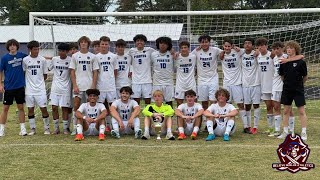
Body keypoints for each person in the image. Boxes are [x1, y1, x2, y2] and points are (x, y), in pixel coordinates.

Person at [269, 41, 303, 137]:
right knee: (276, 107)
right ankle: (277, 130)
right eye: (274, 49)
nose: (276, 50)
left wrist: (288, 60)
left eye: (278, 48)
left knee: (288, 109)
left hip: (285, 86)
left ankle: (290, 130)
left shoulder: (287, 56)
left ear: (282, 48)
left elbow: (301, 56)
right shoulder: (274, 58)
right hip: (275, 85)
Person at [277, 40, 308, 141]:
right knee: (286, 111)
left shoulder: (301, 62)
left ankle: (304, 132)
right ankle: (285, 131)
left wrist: (299, 85)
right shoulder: (283, 61)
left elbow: (305, 76)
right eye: (288, 48)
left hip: (298, 89)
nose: (289, 50)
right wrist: (287, 83)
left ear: (296, 49)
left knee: (301, 111)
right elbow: (281, 75)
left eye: (291, 48)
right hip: (287, 89)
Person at [69, 36, 99, 135]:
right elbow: (72, 72)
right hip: (78, 86)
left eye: (85, 42)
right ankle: (75, 128)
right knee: (76, 106)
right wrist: (75, 85)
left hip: (89, 86)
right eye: (81, 42)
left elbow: (95, 72)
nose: (83, 44)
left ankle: (89, 127)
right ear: (79, 44)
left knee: (88, 107)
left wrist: (93, 86)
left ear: (88, 44)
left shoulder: (93, 56)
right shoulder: (75, 56)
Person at [0, 39, 28, 136]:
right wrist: (1, 84)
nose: (12, 47)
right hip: (9, 87)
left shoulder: (22, 56)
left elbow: (33, 57)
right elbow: (1, 71)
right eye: (10, 45)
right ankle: (1, 129)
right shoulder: (4, 58)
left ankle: (23, 128)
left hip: (20, 86)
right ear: (8, 47)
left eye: (14, 45)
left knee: (21, 107)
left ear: (17, 46)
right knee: (5, 108)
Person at [23, 40, 50, 135]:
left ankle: (47, 128)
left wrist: (39, 82)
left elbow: (45, 75)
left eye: (38, 49)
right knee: (30, 109)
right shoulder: (25, 60)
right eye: (35, 49)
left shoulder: (42, 60)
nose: (37, 51)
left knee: (44, 108)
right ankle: (32, 129)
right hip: (29, 90)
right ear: (30, 49)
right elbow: (23, 72)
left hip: (40, 89)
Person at [219, 37, 246, 133]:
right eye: (225, 46)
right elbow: (219, 55)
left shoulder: (238, 52)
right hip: (227, 83)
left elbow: (248, 50)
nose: (227, 48)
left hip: (237, 82)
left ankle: (246, 126)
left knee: (240, 104)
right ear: (223, 46)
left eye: (229, 46)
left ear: (232, 46)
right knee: (227, 104)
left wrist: (237, 48)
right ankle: (226, 125)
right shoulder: (221, 54)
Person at [191, 35, 222, 117]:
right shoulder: (196, 51)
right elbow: (188, 56)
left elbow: (225, 51)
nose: (204, 44)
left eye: (206, 42)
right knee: (204, 102)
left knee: (213, 101)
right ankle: (206, 122)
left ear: (209, 42)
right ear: (199, 43)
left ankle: (214, 120)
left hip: (213, 79)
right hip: (201, 80)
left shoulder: (215, 50)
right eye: (202, 42)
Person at [48, 43, 72, 134]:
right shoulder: (54, 59)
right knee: (54, 107)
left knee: (65, 108)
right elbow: (48, 69)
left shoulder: (70, 60)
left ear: (67, 51)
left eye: (64, 51)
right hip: (55, 87)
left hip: (66, 88)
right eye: (60, 50)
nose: (62, 52)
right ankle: (56, 128)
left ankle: (65, 128)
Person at [240, 37, 261, 134]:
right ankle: (248, 126)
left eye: (249, 43)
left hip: (256, 83)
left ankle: (255, 126)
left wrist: (257, 50)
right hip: (245, 84)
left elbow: (266, 52)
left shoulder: (256, 54)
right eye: (245, 43)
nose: (247, 45)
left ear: (252, 45)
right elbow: (230, 49)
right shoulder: (241, 54)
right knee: (247, 105)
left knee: (256, 105)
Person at [128, 34, 156, 105]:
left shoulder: (150, 50)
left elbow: (159, 53)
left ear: (144, 42)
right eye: (137, 41)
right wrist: (130, 71)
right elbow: (127, 61)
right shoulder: (131, 51)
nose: (139, 42)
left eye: (141, 41)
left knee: (147, 101)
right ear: (135, 42)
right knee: (136, 102)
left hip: (147, 81)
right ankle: (136, 116)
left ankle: (148, 115)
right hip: (135, 81)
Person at [255, 37, 274, 134]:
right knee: (268, 107)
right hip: (264, 85)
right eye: (259, 46)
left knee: (276, 107)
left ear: (266, 46)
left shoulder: (272, 55)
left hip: (274, 85)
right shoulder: (257, 56)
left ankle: (278, 127)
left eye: (263, 45)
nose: (261, 47)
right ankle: (271, 127)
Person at [151, 36, 175, 107]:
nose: (162, 45)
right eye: (161, 43)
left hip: (168, 82)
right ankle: (158, 118)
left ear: (168, 45)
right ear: (158, 44)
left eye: (165, 43)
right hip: (157, 83)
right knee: (157, 102)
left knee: (169, 103)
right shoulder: (153, 54)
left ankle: (169, 118)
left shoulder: (172, 54)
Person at [175, 41, 197, 107]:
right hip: (180, 84)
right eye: (182, 48)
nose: (183, 49)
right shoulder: (176, 57)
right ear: (180, 49)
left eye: (185, 47)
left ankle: (194, 117)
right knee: (179, 103)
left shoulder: (193, 56)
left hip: (191, 83)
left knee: (194, 103)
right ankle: (181, 117)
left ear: (188, 48)